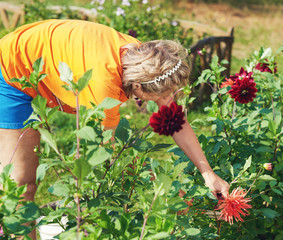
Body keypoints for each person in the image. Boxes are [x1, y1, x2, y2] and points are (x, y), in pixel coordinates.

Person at [0, 19, 230, 238]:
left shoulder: (146, 59)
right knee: (21, 184)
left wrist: (209, 174)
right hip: (12, 71)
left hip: (46, 58)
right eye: (160, 96)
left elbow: (176, 120)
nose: (165, 100)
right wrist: (161, 184)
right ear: (138, 86)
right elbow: (103, 155)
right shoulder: (103, 88)